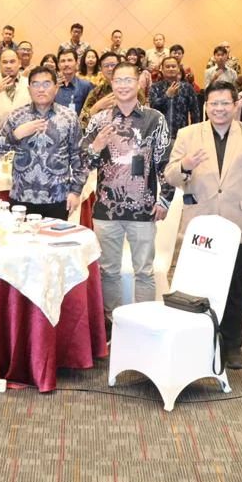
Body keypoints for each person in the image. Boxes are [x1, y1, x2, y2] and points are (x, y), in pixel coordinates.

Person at [164, 80, 242, 370]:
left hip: (239, 223)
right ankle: (196, 341)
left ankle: (232, 343)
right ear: (206, 106)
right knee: (197, 285)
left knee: (235, 287)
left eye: (225, 103)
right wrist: (184, 166)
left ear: (235, 105)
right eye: (214, 104)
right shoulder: (188, 134)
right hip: (200, 224)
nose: (220, 109)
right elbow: (171, 176)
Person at [81, 63, 173, 325]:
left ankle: (143, 323)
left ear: (138, 83)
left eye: (128, 80)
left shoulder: (155, 119)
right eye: (118, 80)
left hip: (143, 209)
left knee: (144, 271)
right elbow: (83, 163)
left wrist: (165, 199)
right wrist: (96, 146)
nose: (123, 85)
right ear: (111, 83)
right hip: (106, 209)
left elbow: (164, 162)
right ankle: (112, 322)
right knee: (108, 271)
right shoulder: (99, 120)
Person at [0, 66, 86, 220]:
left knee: (55, 235)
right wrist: (15, 135)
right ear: (29, 89)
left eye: (46, 84)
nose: (41, 89)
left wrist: (75, 192)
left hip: (57, 197)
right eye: (35, 84)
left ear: (56, 88)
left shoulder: (69, 117)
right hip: (21, 198)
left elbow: (79, 157)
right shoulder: (17, 116)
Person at [81, 51, 146, 126]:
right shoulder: (96, 92)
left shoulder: (133, 89)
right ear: (101, 69)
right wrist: (97, 106)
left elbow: (144, 115)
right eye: (106, 66)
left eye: (113, 65)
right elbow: (82, 123)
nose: (110, 68)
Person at [149, 55, 201, 145]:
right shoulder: (155, 87)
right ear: (162, 69)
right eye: (167, 66)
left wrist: (194, 133)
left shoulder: (187, 87)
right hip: (160, 135)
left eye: (173, 66)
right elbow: (153, 107)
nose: (171, 69)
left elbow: (195, 112)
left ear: (178, 69)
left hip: (182, 135)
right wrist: (167, 96)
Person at [55, 48, 92, 115]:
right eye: (63, 61)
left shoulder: (86, 86)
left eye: (70, 60)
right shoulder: (52, 86)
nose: (66, 64)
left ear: (77, 63)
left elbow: (91, 110)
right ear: (58, 65)